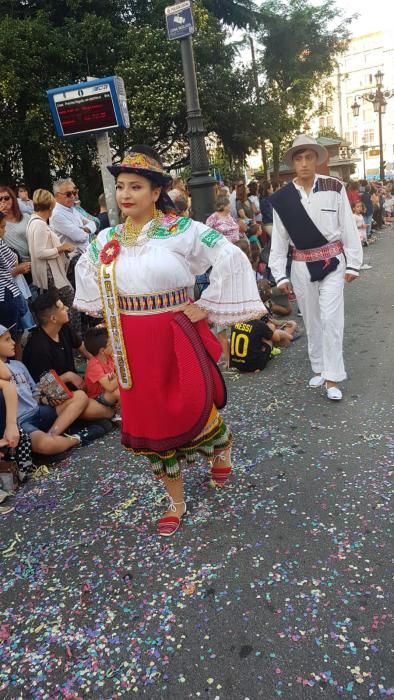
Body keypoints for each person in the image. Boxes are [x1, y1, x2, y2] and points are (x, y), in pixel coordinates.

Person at [73, 145, 265, 536]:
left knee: (189, 402)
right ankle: (175, 499)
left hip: (175, 333)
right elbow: (85, 269)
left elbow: (230, 255)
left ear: (156, 191)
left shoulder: (183, 230)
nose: (126, 194)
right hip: (131, 341)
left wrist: (206, 304)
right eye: (121, 186)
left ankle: (221, 444)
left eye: (136, 187)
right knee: (151, 418)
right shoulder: (106, 238)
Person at [268, 134, 363, 401]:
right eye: (299, 158)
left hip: (333, 262)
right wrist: (279, 273)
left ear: (317, 160)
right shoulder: (283, 199)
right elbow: (280, 238)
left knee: (332, 319)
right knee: (311, 320)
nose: (305, 163)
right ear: (293, 163)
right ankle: (320, 367)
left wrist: (354, 263)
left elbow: (347, 225)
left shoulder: (334, 186)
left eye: (309, 157)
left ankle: (333, 377)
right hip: (300, 264)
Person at [22, 289, 116, 422]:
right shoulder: (38, 349)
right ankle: (109, 414)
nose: (66, 308)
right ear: (53, 318)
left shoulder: (63, 328)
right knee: (87, 404)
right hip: (55, 399)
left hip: (77, 389)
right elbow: (48, 389)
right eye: (61, 307)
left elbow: (84, 349)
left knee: (104, 395)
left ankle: (102, 414)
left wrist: (101, 364)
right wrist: (68, 376)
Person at [0, 325, 89, 456]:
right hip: (21, 423)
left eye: (11, 338)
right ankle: (76, 439)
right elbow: (6, 377)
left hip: (38, 411)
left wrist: (46, 399)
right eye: (7, 340)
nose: (13, 343)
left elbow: (34, 390)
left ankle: (52, 434)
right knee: (45, 445)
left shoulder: (18, 365)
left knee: (80, 396)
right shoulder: (4, 373)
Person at [26, 189, 75, 307]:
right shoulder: (39, 224)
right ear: (50, 207)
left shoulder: (33, 222)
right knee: (69, 305)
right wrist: (61, 248)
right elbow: (40, 252)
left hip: (49, 274)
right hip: (51, 275)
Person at [0, 212, 32, 358]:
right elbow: (12, 262)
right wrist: (17, 268)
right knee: (9, 338)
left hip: (10, 294)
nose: (4, 231)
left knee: (15, 336)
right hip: (5, 297)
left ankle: (17, 369)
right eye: (1, 227)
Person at [50, 179, 96, 255]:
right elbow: (80, 237)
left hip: (86, 253)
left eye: (74, 193)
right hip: (74, 258)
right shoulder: (56, 214)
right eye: (68, 194)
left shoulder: (72, 208)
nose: (73, 196)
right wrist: (87, 230)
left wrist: (84, 229)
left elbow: (93, 223)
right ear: (57, 196)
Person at [84, 326, 120, 409]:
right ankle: (121, 415)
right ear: (102, 351)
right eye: (110, 344)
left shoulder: (109, 358)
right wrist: (123, 374)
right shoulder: (94, 365)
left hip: (107, 393)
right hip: (96, 398)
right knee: (118, 392)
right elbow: (109, 387)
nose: (113, 346)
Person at [0, 186, 31, 263]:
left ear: (13, 199)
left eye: (6, 198)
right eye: (0, 199)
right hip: (13, 266)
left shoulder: (26, 217)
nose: (3, 201)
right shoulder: (0, 223)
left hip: (32, 262)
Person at [352, 202, 372, 271]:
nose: (359, 208)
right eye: (357, 207)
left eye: (360, 206)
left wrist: (365, 225)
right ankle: (358, 264)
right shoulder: (353, 216)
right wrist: (361, 226)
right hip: (358, 235)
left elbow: (362, 223)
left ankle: (359, 263)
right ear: (353, 208)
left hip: (362, 234)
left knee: (361, 249)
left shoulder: (360, 215)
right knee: (358, 250)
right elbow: (353, 226)